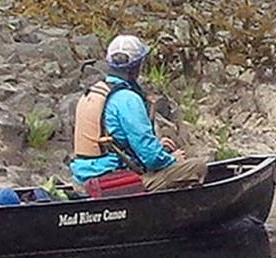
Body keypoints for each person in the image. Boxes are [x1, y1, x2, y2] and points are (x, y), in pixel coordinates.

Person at [70, 35, 207, 192]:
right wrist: (171, 159)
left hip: (81, 181)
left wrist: (159, 147)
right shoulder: (128, 99)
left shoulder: (92, 93)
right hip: (112, 182)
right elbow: (151, 159)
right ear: (137, 67)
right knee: (197, 167)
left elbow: (120, 144)